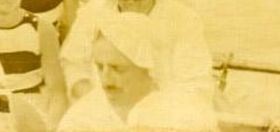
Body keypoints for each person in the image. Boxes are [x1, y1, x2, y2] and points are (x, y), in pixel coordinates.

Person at [61, 0, 214, 103]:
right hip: (102, 107)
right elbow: (73, 65)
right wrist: (97, 105)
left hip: (165, 109)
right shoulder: (94, 11)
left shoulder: (183, 18)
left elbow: (196, 80)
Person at [58, 12, 218, 132]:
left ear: (148, 67)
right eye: (100, 67)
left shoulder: (186, 111)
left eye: (118, 68)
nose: (106, 78)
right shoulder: (83, 115)